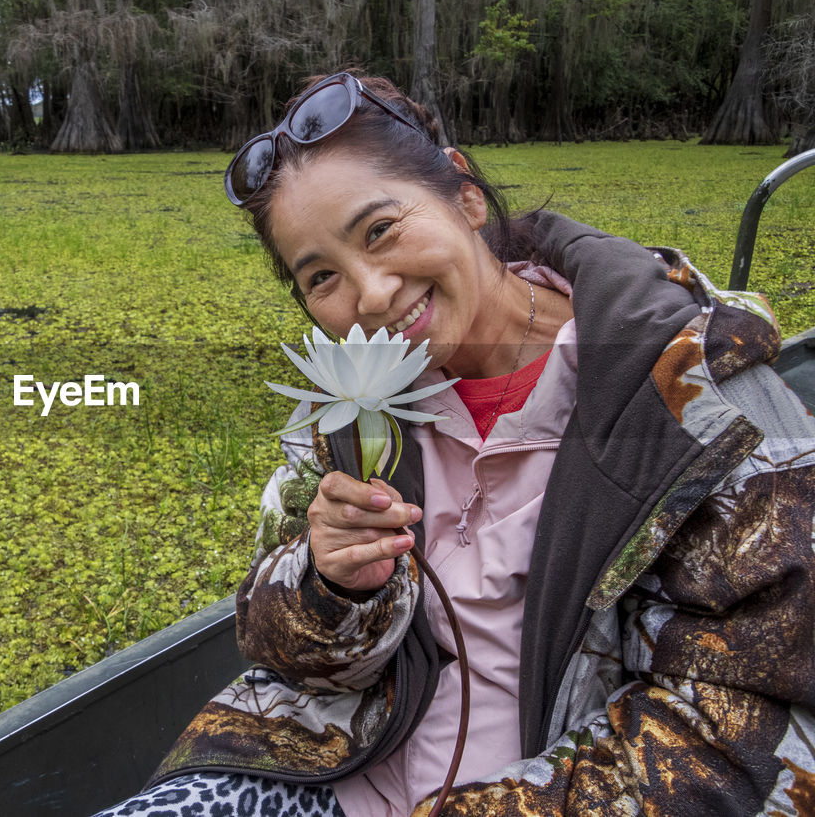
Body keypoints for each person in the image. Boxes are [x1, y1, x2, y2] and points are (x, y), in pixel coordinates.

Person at [93, 72, 815, 817]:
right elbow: (278, 652)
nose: (369, 295)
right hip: (334, 774)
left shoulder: (700, 399)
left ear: (465, 195)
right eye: (321, 277)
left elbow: (755, 733)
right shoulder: (348, 407)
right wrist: (335, 588)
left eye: (379, 230)